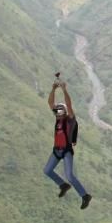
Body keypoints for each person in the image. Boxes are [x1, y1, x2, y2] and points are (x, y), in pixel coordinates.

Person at [45, 80, 92, 210]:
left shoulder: (70, 120)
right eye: (57, 111)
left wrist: (64, 90)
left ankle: (85, 195)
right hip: (57, 150)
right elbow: (50, 103)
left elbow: (69, 105)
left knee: (70, 175)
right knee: (47, 170)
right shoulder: (58, 119)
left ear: (65, 111)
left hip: (66, 151)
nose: (58, 112)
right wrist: (53, 89)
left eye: (60, 110)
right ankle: (63, 185)